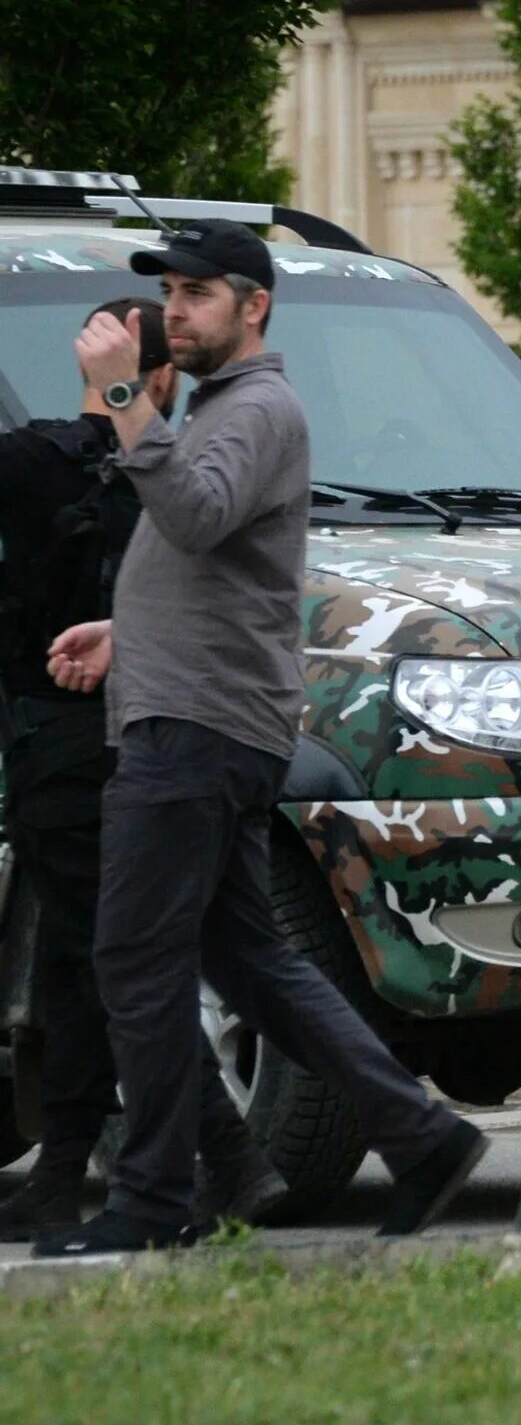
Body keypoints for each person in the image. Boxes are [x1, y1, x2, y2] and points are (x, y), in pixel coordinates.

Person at [33, 221, 487, 1257]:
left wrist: (115, 399)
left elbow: (192, 515)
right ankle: (422, 1136)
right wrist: (127, 631)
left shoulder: (257, 409)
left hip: (193, 738)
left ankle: (152, 1202)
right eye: (172, 294)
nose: (176, 312)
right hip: (198, 717)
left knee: (132, 961)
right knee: (254, 964)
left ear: (255, 307)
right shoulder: (222, 411)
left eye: (197, 294)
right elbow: (218, 563)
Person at [0, 299, 285, 1240]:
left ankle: (230, 1159)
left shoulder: (33, 461)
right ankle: (63, 1170)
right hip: (152, 741)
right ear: (163, 376)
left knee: (114, 968)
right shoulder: (181, 478)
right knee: (79, 967)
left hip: (55, 748)